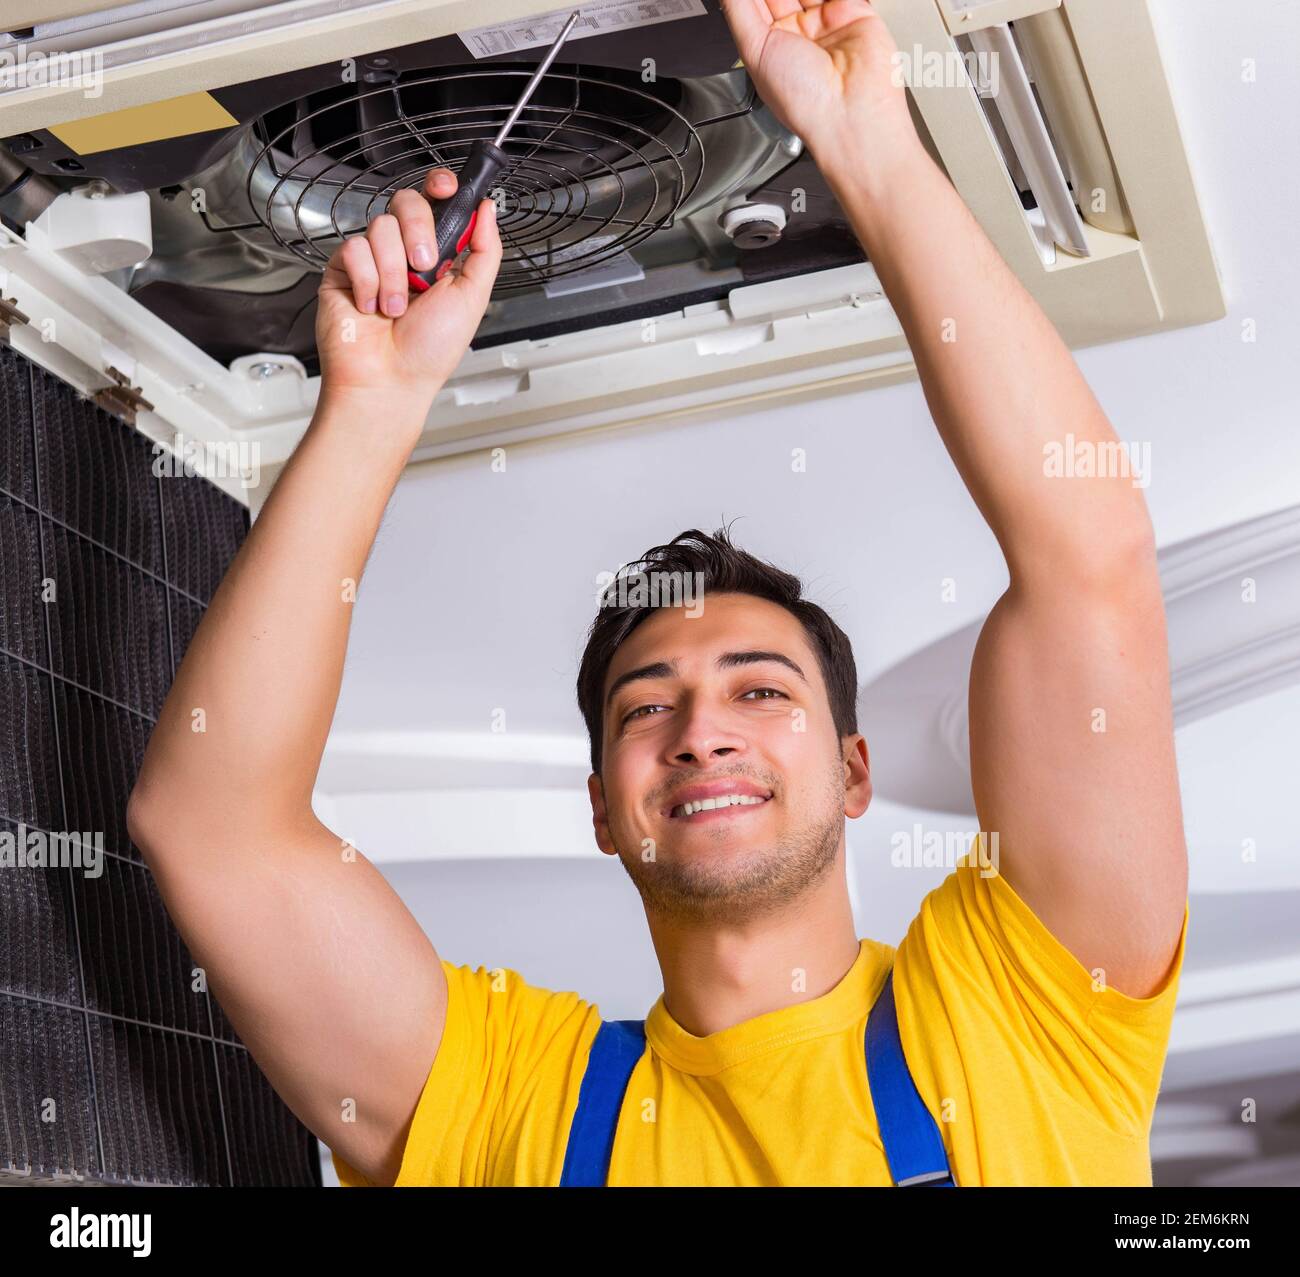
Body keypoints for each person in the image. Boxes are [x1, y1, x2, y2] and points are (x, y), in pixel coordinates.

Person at [127, 0, 1189, 1187]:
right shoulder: (506, 1097)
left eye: (759, 686)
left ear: (852, 769)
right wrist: (370, 409)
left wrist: (866, 139)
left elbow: (1086, 554)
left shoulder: (1026, 1011)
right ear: (598, 804)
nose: (700, 733)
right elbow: (214, 833)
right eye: (646, 706)